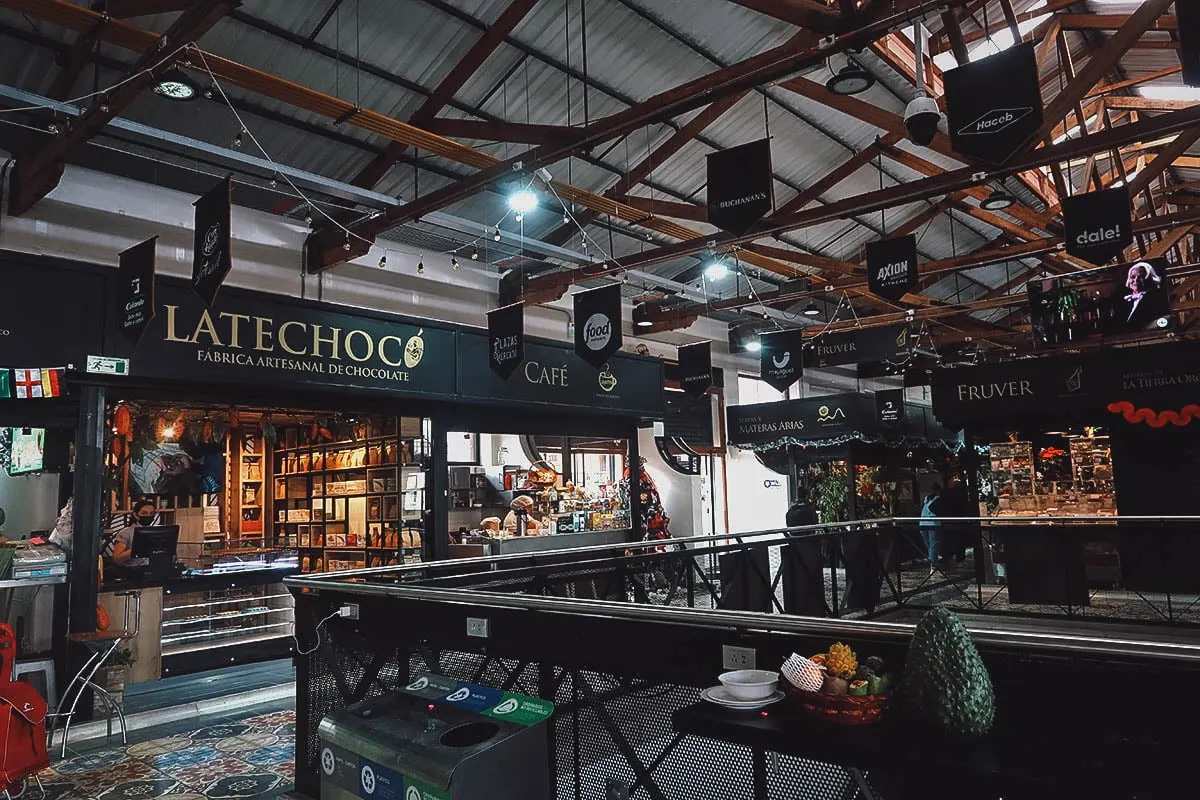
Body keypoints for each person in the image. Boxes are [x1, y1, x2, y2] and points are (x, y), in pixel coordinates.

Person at [1119, 261, 1166, 330]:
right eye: (1132, 277)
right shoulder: (1125, 301)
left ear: (1149, 278)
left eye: (1141, 276)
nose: (1136, 280)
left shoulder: (1156, 297)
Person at [920, 483, 942, 570]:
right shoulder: (938, 499)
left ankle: (932, 559)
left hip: (922, 523)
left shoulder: (926, 499)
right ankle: (933, 565)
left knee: (929, 545)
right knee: (933, 544)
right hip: (933, 523)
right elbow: (937, 510)